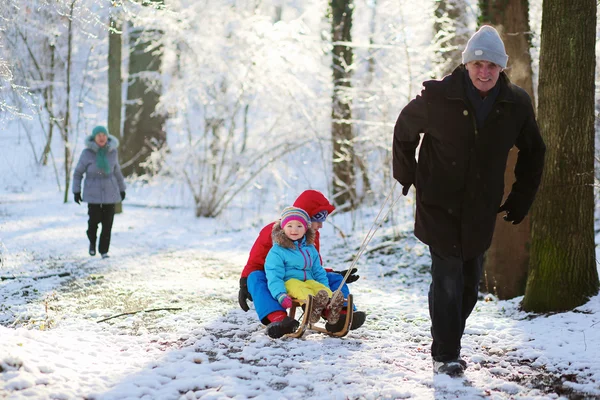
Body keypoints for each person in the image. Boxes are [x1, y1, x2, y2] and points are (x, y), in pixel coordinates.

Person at [392, 25, 545, 376]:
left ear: (502, 68)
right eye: (478, 64)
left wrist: (521, 197)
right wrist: (407, 174)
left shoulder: (515, 104)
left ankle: (446, 338)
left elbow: (535, 151)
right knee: (446, 278)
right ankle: (446, 353)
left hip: (480, 207)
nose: (485, 71)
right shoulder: (437, 97)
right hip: (438, 204)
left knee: (468, 284)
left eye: (492, 65)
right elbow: (404, 129)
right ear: (466, 65)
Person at [238, 190, 366, 338]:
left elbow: (311, 266)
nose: (321, 225)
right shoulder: (271, 232)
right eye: (318, 218)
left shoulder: (310, 237)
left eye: (324, 218)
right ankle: (278, 319)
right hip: (279, 278)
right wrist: (244, 282)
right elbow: (256, 261)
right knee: (255, 277)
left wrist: (334, 272)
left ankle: (341, 315)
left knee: (336, 279)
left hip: (305, 277)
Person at [264, 206, 344, 337]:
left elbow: (318, 270)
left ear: (306, 228)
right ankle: (311, 307)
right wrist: (280, 294)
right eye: (289, 225)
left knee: (320, 289)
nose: (294, 230)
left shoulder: (310, 248)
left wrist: (325, 287)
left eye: (299, 226)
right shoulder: (277, 250)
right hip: (290, 282)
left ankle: (331, 308)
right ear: (282, 228)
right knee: (301, 288)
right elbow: (274, 275)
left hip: (310, 280)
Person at [72, 126, 126, 259]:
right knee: (93, 222)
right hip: (93, 194)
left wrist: (122, 189)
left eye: (104, 135)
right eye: (98, 135)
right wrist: (76, 191)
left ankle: (103, 251)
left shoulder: (113, 152)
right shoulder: (87, 153)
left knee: (107, 224)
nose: (101, 137)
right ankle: (92, 242)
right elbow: (78, 173)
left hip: (110, 193)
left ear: (107, 137)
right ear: (94, 138)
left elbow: (117, 171)